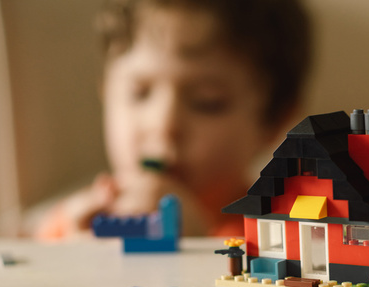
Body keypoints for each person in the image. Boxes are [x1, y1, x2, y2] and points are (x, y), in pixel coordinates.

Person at [35, 0, 311, 239]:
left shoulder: (279, 236)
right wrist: (69, 254)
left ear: (274, 121)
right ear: (106, 94)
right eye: (139, 94)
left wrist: (196, 251)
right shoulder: (75, 220)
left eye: (207, 103)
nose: (164, 125)